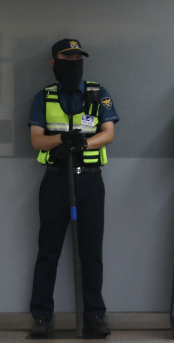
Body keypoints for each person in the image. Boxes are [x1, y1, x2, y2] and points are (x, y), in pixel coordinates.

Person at [27, 38, 119, 338]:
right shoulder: (44, 97)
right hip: (55, 180)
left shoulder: (98, 92)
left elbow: (108, 133)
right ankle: (41, 316)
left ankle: (94, 316)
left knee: (91, 253)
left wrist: (82, 143)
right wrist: (61, 141)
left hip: (90, 180)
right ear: (55, 62)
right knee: (48, 250)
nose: (74, 63)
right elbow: (37, 140)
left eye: (78, 58)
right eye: (68, 58)